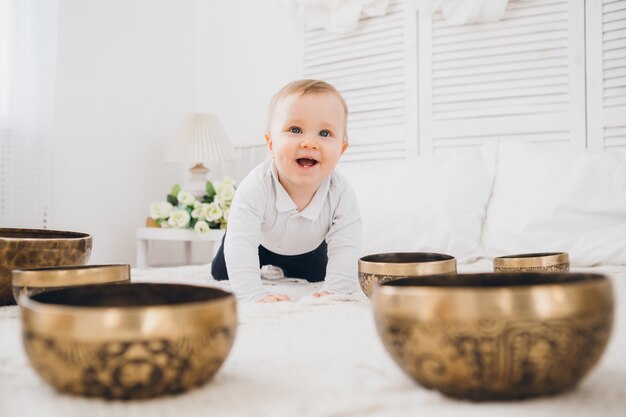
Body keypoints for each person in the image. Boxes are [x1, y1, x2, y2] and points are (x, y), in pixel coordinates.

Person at [211, 79, 362, 302]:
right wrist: (253, 295)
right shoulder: (255, 186)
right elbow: (242, 243)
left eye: (324, 133)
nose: (309, 143)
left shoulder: (340, 192)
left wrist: (336, 290)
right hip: (259, 242)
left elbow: (346, 245)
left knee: (318, 276)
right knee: (221, 271)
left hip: (309, 248)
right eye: (295, 129)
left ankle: (297, 269)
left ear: (341, 150)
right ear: (271, 144)